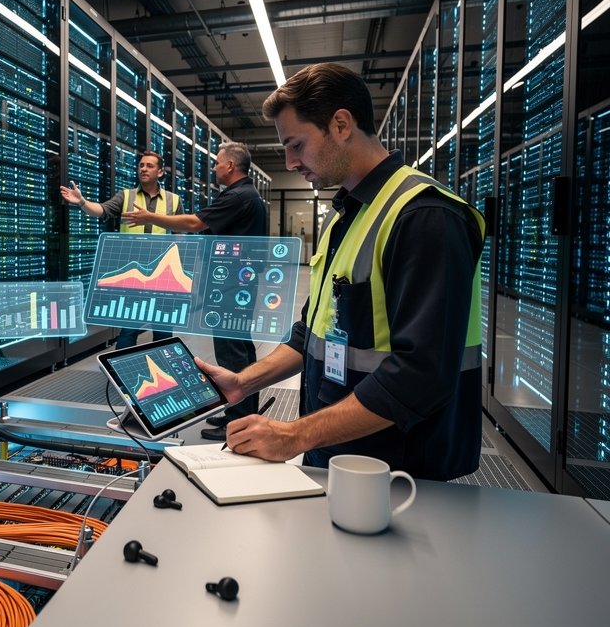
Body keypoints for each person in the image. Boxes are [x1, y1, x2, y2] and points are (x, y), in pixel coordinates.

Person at [195, 63, 485, 481]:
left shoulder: (424, 217)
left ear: (342, 124)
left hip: (401, 476)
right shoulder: (345, 216)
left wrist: (294, 435)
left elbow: (420, 374)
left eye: (296, 144)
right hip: (337, 459)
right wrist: (244, 382)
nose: (291, 162)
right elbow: (311, 332)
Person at [120, 141, 267, 440]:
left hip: (233, 284)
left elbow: (195, 223)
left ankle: (238, 421)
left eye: (217, 162)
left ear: (230, 166)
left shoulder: (238, 196)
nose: (213, 167)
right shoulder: (244, 196)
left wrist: (150, 217)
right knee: (239, 347)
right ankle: (240, 411)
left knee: (232, 350)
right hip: (237, 280)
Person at [60, 151, 183, 349]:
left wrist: (181, 274)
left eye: (149, 166)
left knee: (163, 332)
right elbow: (101, 210)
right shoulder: (126, 196)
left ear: (160, 172)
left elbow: (180, 236)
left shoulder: (173, 200)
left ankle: (163, 374)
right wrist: (82, 202)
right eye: (141, 165)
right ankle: (123, 375)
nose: (143, 169)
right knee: (128, 331)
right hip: (133, 274)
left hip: (163, 276)